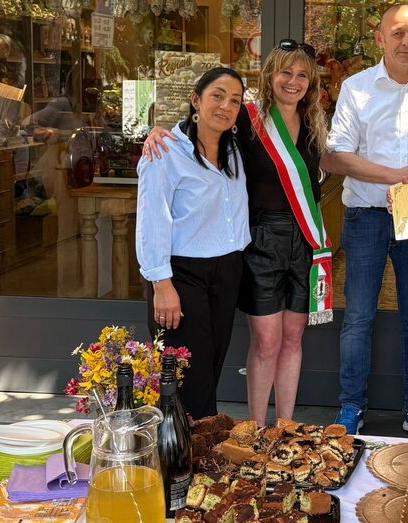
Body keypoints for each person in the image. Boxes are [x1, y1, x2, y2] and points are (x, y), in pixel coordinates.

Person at [143, 41, 332, 426]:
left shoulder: (313, 122)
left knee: (288, 339)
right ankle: (255, 430)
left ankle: (285, 426)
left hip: (299, 242)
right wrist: (155, 131)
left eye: (302, 75)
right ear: (270, 75)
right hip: (258, 243)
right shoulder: (247, 119)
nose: (293, 81)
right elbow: (199, 128)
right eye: (285, 72)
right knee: (260, 343)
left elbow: (324, 170)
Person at [321, 4, 408, 437]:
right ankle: (350, 407)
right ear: (380, 38)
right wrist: (397, 177)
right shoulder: (356, 89)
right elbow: (339, 156)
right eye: (397, 33)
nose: (406, 42)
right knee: (358, 317)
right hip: (366, 217)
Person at [136, 67, 248, 419]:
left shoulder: (235, 150)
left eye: (235, 101)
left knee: (210, 367)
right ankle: (184, 447)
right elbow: (151, 220)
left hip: (227, 269)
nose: (226, 106)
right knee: (186, 377)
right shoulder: (164, 152)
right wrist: (161, 284)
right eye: (217, 96)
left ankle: (198, 442)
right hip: (182, 275)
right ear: (196, 100)